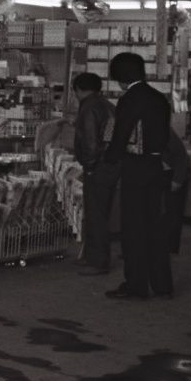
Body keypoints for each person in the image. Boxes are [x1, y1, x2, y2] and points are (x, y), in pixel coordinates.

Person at [101, 52, 173, 301]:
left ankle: (137, 285)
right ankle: (162, 284)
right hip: (157, 165)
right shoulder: (158, 98)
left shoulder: (129, 99)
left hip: (135, 167)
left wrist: (109, 158)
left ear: (120, 77)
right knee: (156, 227)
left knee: (133, 228)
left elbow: (122, 134)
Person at [71, 72, 116, 275]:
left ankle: (97, 262)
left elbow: (90, 142)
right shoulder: (106, 104)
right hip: (110, 164)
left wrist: (88, 167)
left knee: (95, 214)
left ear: (78, 89)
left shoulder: (88, 108)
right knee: (100, 213)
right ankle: (92, 256)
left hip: (98, 167)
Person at [164, 130, 191, 255]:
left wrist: (177, 180)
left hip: (174, 173)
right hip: (162, 172)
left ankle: (170, 248)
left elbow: (181, 155)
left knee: (173, 211)